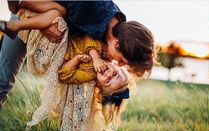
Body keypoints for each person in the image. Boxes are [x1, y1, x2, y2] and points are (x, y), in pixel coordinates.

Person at [0, 1, 155, 111]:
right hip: (28, 17)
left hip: (46, 44)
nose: (119, 64)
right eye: (122, 60)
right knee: (2, 81)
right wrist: (47, 25)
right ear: (117, 42)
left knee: (4, 84)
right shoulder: (95, 7)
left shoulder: (110, 41)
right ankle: (20, 3)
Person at [0, 0, 66, 39]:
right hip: (26, 15)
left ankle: (22, 3)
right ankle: (22, 3)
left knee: (56, 13)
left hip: (62, 18)